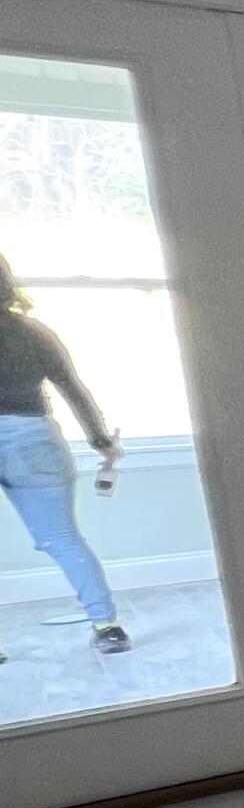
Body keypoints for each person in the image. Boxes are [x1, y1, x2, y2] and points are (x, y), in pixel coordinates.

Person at [0, 253, 130, 660]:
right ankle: (108, 627)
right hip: (33, 438)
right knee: (62, 538)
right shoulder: (35, 332)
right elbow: (74, 390)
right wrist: (101, 442)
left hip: (28, 441)